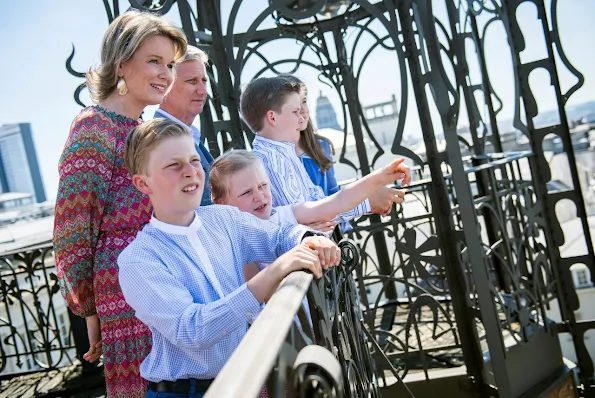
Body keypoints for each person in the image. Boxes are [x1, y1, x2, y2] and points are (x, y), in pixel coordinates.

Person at [117, 118, 340, 398]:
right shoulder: (137, 260)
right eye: (174, 165)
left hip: (244, 383)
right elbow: (193, 330)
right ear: (143, 183)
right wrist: (274, 273)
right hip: (187, 393)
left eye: (194, 160)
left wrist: (307, 240)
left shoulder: (224, 219)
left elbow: (277, 236)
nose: (190, 172)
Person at [53, 11, 187, 398]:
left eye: (170, 64)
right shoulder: (94, 129)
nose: (166, 74)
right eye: (154, 61)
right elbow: (73, 231)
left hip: (169, 277)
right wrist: (89, 309)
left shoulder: (143, 131)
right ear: (121, 64)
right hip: (129, 295)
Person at [209, 149, 409, 282]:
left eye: (263, 186)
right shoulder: (233, 243)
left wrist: (380, 177)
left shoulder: (284, 215)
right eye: (246, 192)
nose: (259, 196)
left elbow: (336, 202)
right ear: (222, 203)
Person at [241, 76, 410, 226]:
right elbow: (311, 214)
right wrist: (367, 200)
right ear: (272, 117)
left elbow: (318, 200)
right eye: (295, 111)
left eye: (303, 104)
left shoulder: (285, 153)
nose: (301, 117)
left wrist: (380, 178)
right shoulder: (272, 161)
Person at [155, 45, 214, 205]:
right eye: (192, 81)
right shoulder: (159, 139)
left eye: (204, 81)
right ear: (165, 84)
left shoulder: (190, 135)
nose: (202, 91)